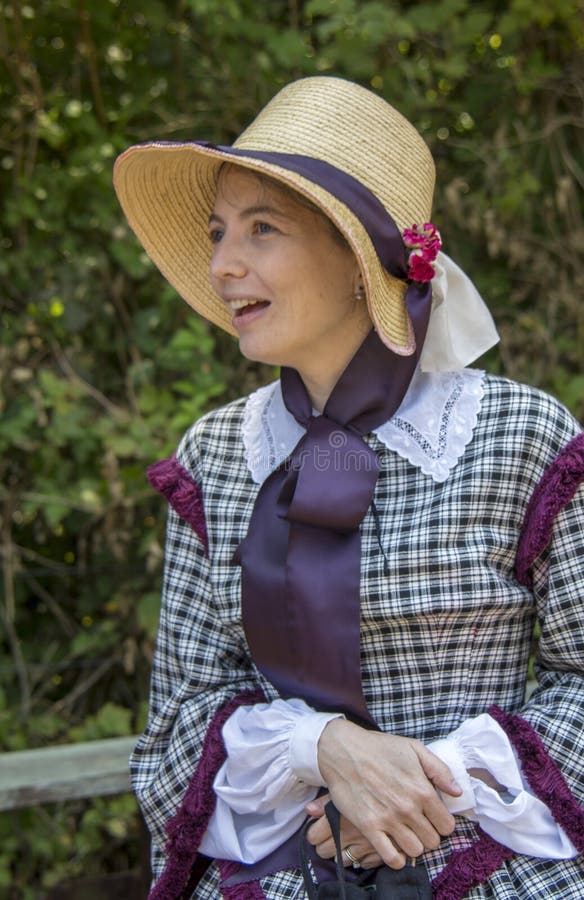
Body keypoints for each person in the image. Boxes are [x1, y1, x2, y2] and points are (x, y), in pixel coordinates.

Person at [113, 77, 584, 899]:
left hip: (486, 868)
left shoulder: (519, 437)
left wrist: (429, 782)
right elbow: (178, 721)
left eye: (264, 228)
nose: (223, 264)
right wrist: (321, 749)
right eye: (220, 231)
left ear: (360, 257)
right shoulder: (219, 454)